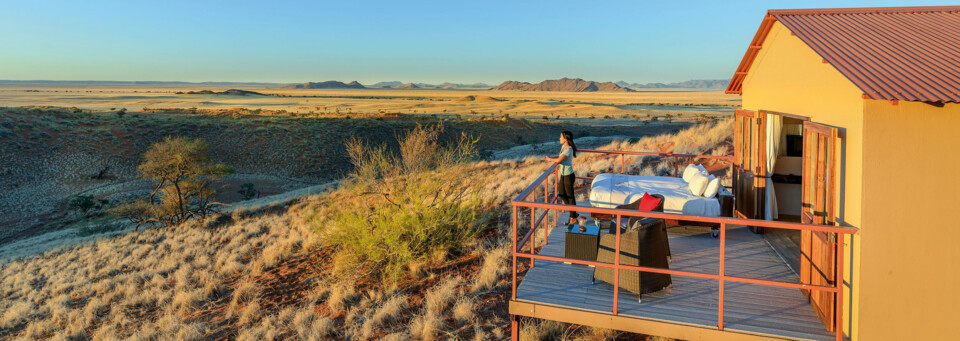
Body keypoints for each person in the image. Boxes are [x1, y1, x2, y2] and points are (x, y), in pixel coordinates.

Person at [544, 131, 579, 225]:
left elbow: (559, 160)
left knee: (570, 197)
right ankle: (574, 213)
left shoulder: (569, 149)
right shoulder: (563, 147)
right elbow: (560, 157)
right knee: (562, 194)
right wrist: (553, 158)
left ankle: (573, 217)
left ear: (565, 139)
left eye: (560, 137)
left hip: (568, 175)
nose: (559, 138)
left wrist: (549, 160)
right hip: (563, 175)